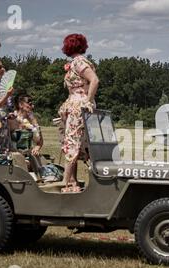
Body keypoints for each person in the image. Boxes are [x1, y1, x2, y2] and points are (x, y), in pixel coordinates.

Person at [59, 33, 99, 193]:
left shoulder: (79, 62)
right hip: (75, 103)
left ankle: (66, 181)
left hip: (79, 105)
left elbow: (94, 80)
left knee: (73, 141)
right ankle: (72, 181)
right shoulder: (76, 62)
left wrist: (88, 101)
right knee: (77, 142)